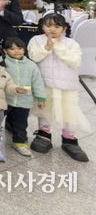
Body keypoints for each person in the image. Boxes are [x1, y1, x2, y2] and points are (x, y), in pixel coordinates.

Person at [28, 13, 90, 162]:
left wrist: (58, 47)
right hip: (44, 84)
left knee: (68, 112)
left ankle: (69, 139)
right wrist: (46, 48)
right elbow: (33, 57)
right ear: (42, 26)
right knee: (44, 110)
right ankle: (44, 134)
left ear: (64, 28)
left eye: (57, 26)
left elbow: (75, 61)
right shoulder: (36, 40)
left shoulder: (71, 43)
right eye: (48, 25)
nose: (52, 29)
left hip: (67, 86)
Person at [0, 37, 46, 157]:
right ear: (5, 51)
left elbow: (37, 82)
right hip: (4, 99)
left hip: (24, 101)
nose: (17, 51)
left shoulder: (31, 65)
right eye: (12, 49)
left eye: (20, 48)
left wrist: (41, 98)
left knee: (21, 123)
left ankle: (19, 142)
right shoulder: (0, 62)